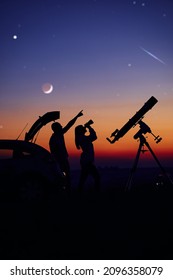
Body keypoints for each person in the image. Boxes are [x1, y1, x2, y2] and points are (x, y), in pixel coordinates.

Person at [49, 110, 83, 191]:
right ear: (56, 129)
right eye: (60, 126)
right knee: (64, 177)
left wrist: (76, 117)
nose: (61, 127)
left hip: (62, 159)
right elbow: (69, 125)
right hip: (61, 160)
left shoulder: (57, 136)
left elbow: (69, 125)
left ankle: (65, 190)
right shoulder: (55, 138)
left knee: (65, 176)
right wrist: (77, 117)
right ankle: (66, 192)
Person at [75, 120, 100, 193]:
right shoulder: (82, 138)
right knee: (96, 177)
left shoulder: (82, 138)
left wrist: (88, 127)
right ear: (80, 131)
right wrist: (89, 127)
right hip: (87, 161)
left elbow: (93, 137)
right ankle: (97, 193)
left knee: (83, 179)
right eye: (82, 128)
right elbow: (94, 137)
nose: (84, 128)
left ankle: (78, 193)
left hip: (86, 161)